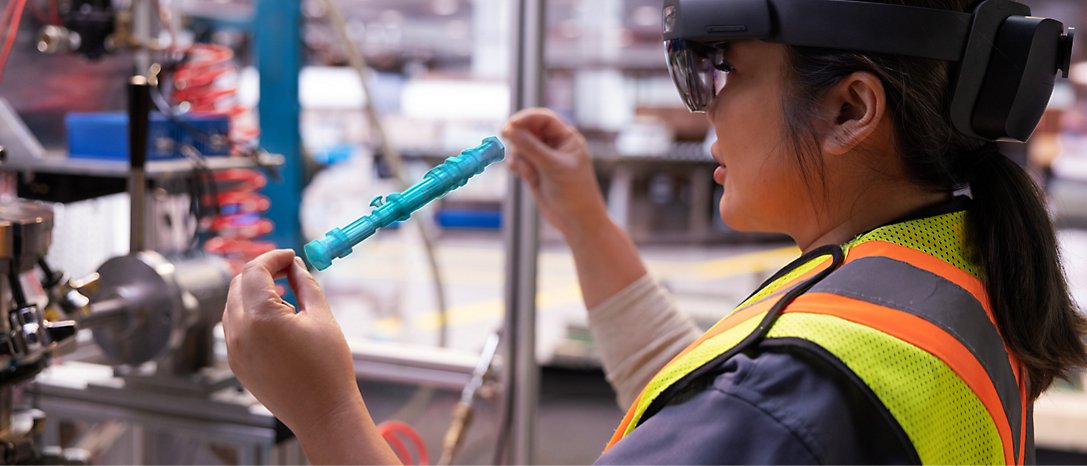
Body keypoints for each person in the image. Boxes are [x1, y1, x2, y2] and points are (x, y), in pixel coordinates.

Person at [222, 0, 1087, 463]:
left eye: (716, 71)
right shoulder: (942, 265)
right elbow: (695, 391)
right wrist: (581, 214)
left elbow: (743, 409)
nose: (701, 110)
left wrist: (326, 413)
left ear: (848, 108)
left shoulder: (792, 392)